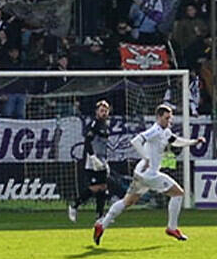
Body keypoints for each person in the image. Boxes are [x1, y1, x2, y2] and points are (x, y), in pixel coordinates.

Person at [93, 104, 205, 245]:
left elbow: (175, 141)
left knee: (127, 202)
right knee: (178, 193)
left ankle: (101, 225)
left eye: (170, 118)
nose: (169, 120)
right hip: (150, 174)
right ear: (158, 117)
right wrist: (146, 157)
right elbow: (136, 141)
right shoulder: (155, 130)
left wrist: (193, 142)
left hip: (141, 173)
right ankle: (172, 228)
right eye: (166, 118)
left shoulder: (165, 131)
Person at [68, 100, 111, 223]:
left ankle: (99, 216)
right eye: (101, 110)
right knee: (95, 187)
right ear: (96, 111)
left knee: (103, 187)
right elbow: (87, 142)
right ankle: (74, 205)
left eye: (105, 111)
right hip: (93, 160)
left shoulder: (105, 125)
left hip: (102, 158)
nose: (103, 113)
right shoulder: (94, 124)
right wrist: (93, 158)